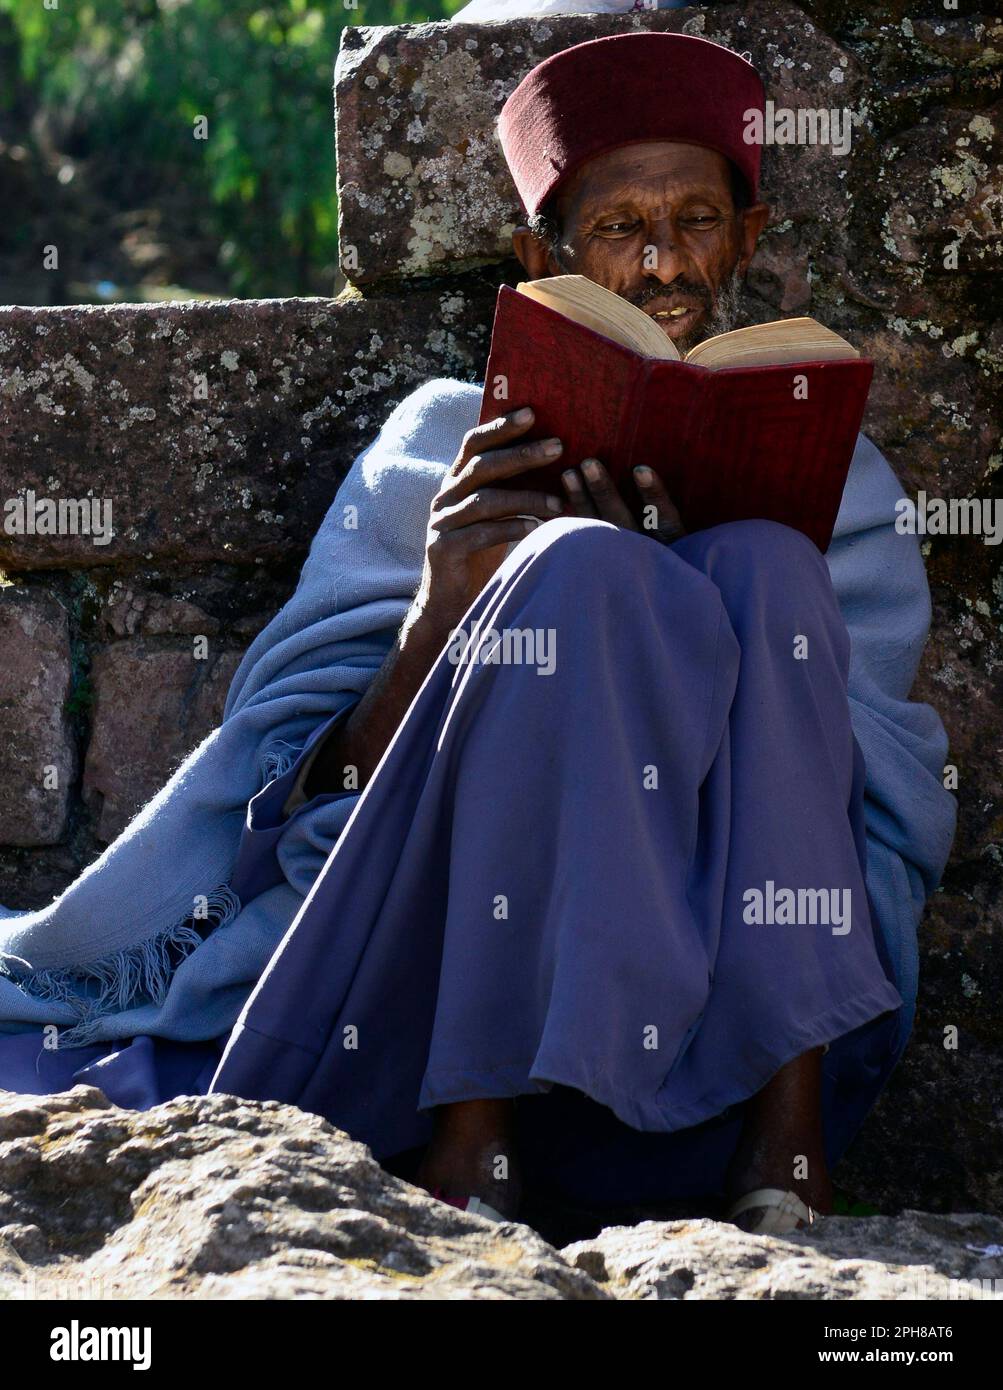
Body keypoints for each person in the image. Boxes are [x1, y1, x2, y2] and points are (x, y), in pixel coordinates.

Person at [0, 33, 955, 1236]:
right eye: (617, 229)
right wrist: (447, 603)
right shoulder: (444, 443)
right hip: (403, 1014)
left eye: (698, 219)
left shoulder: (840, 481)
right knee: (575, 571)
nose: (664, 263)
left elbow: (875, 804)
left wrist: (683, 614)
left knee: (765, 567)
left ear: (748, 243)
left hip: (714, 1030)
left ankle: (788, 1143)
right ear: (536, 258)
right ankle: (473, 1137)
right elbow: (301, 796)